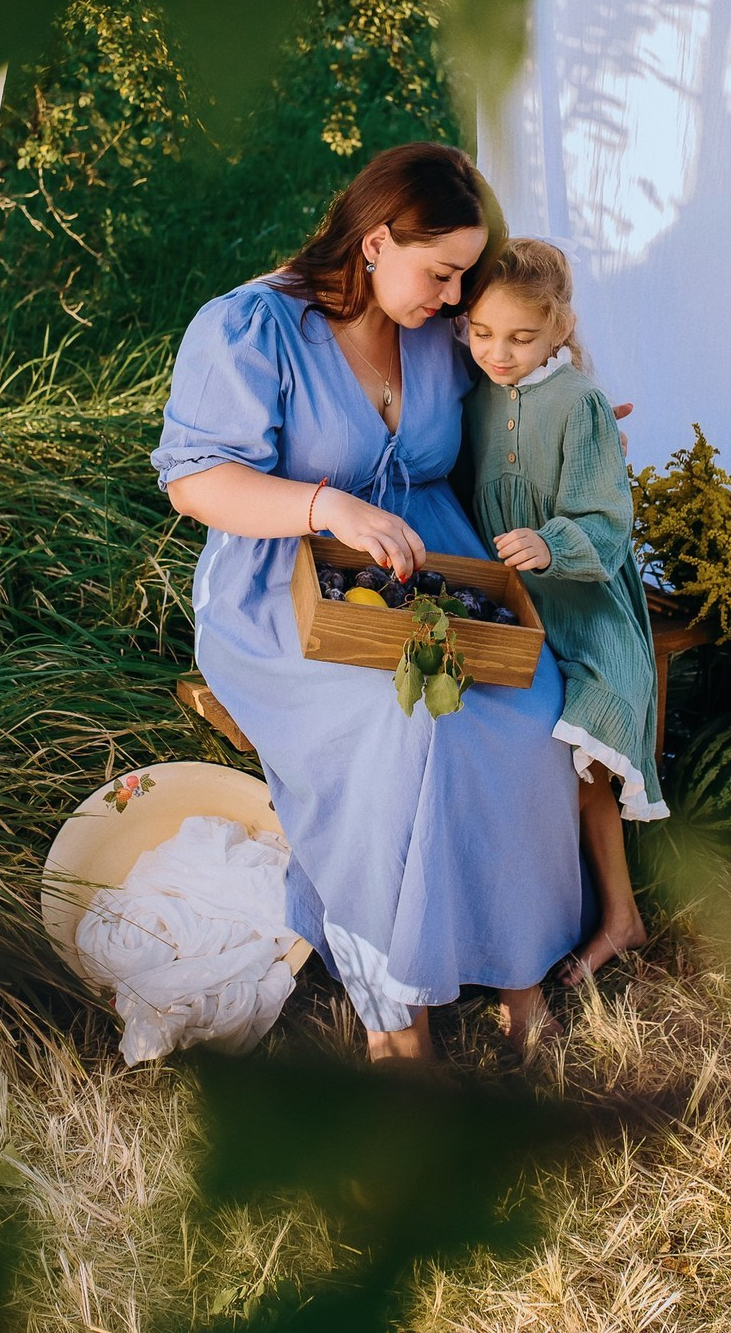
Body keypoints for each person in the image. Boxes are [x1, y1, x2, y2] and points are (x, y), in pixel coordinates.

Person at [152, 144, 584, 1062]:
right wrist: (324, 502)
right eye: (443, 271)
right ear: (379, 240)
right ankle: (399, 1023)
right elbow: (197, 483)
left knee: (527, 706)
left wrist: (565, 427)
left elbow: (514, 390)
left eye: (467, 275)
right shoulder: (249, 329)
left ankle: (516, 973)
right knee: (401, 730)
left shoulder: (437, 327)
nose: (456, 296)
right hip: (289, 587)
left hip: (434, 564)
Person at [462, 238, 666, 985]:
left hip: (585, 611)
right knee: (519, 748)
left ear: (560, 326)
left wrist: (552, 546)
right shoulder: (474, 393)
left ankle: (618, 915)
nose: (498, 353)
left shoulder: (578, 401)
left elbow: (609, 521)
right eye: (480, 333)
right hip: (512, 610)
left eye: (520, 337)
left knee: (581, 750)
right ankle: (564, 914)